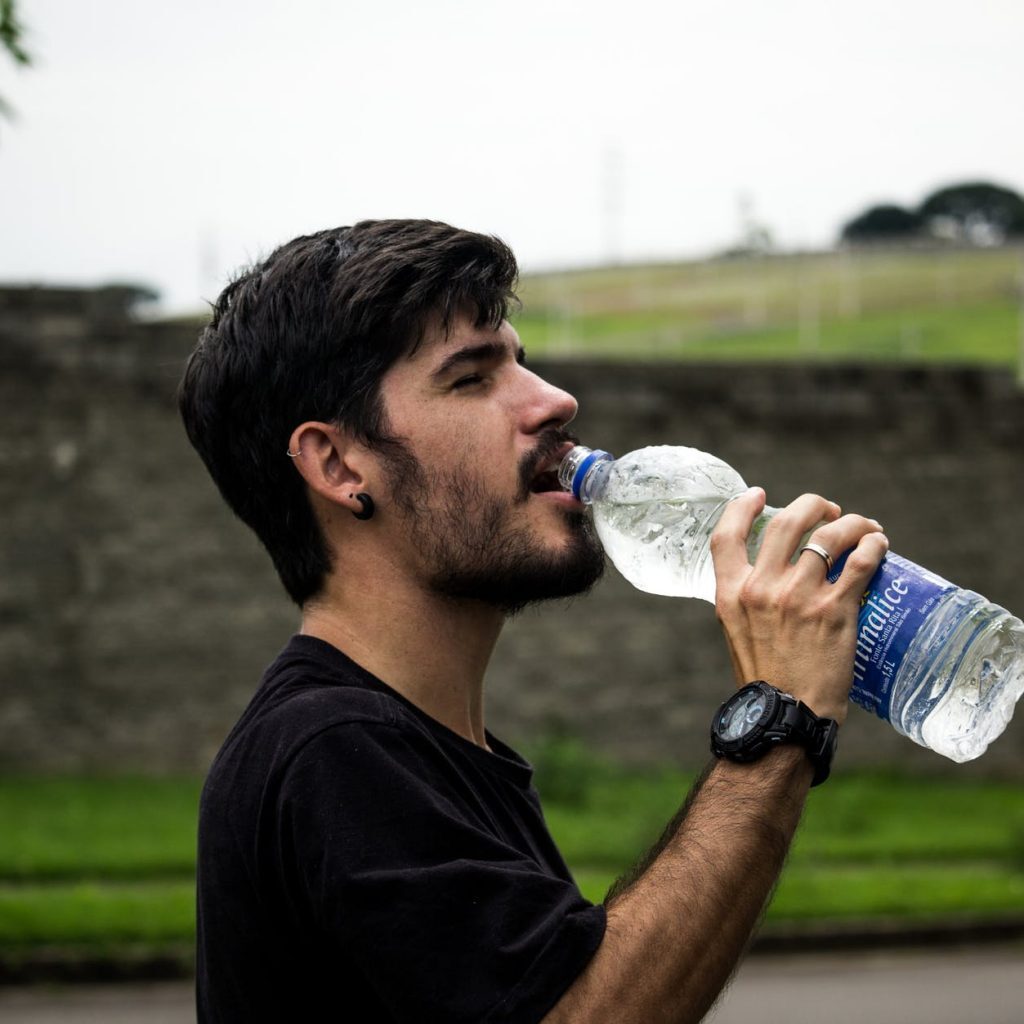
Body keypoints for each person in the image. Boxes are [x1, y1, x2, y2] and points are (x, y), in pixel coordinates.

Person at [179, 219, 887, 1023]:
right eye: (472, 378)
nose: (554, 399)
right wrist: (779, 719)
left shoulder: (434, 753)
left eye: (520, 360)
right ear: (341, 465)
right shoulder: (332, 751)